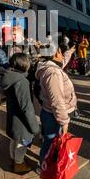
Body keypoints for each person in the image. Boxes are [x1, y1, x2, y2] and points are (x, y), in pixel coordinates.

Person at [35, 38, 77, 167]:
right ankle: (45, 167)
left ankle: (47, 164)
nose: (61, 53)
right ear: (57, 52)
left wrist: (69, 52)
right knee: (50, 143)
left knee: (50, 141)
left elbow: (61, 63)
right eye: (60, 50)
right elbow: (57, 101)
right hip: (54, 116)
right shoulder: (53, 73)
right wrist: (64, 122)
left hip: (50, 112)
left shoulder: (49, 66)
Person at [0, 53, 39, 174]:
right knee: (23, 141)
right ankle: (19, 163)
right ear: (24, 64)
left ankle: (14, 159)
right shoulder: (21, 81)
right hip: (22, 120)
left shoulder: (9, 76)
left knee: (15, 138)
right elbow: (26, 107)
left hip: (14, 116)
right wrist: (34, 127)